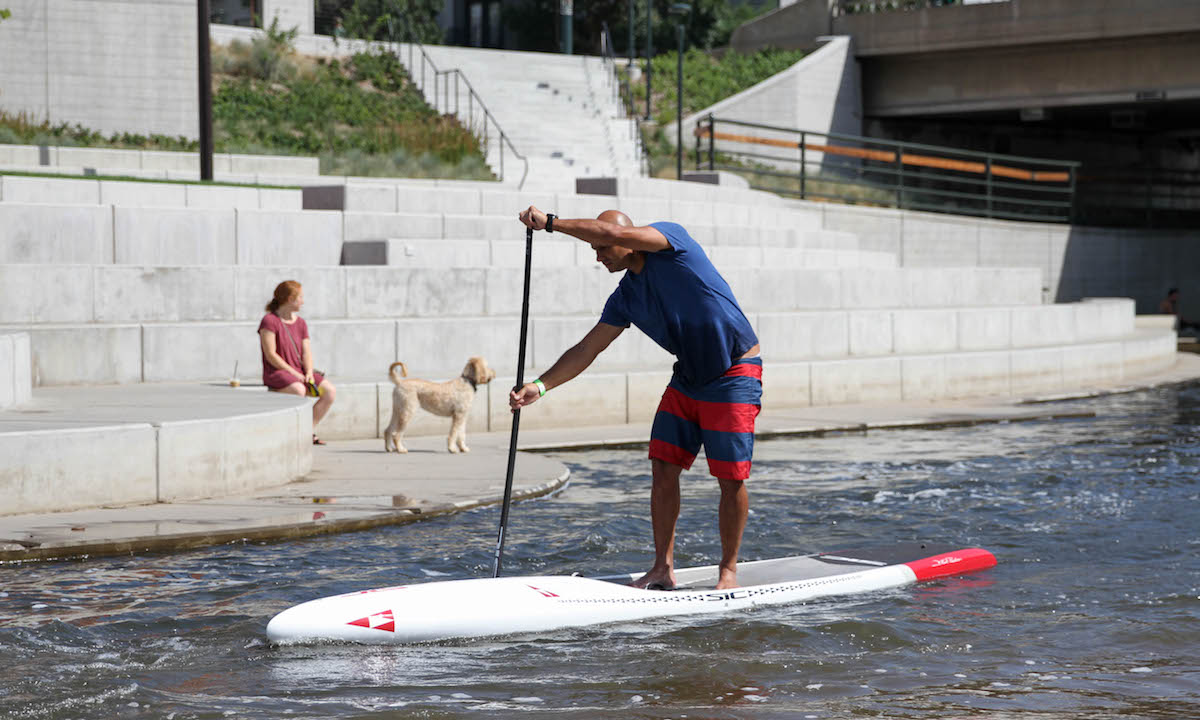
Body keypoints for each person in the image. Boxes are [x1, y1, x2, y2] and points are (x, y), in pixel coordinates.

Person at [510, 206, 762, 590]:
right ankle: (662, 567)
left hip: (733, 373)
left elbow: (607, 232)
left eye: (602, 247)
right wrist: (540, 386)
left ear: (624, 242)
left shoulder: (673, 243)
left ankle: (728, 571)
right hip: (689, 378)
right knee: (662, 467)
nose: (597, 255)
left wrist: (551, 224)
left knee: (729, 478)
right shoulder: (625, 296)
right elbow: (587, 349)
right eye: (595, 248)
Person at [259, 280, 337, 445]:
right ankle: (293, 433)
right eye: (300, 297)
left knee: (329, 391)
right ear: (289, 299)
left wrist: (308, 372)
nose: (303, 301)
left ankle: (307, 431)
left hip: (300, 371)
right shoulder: (269, 321)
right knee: (298, 389)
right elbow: (271, 354)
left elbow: (307, 352)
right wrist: (294, 374)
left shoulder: (300, 323)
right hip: (277, 372)